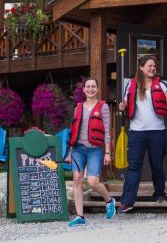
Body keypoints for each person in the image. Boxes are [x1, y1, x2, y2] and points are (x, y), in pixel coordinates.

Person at [118, 55, 167, 212]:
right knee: (134, 167)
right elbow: (124, 104)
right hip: (136, 133)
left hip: (157, 132)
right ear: (141, 67)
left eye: (154, 66)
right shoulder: (130, 85)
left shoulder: (162, 86)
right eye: (149, 65)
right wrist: (122, 107)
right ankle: (127, 201)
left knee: (157, 165)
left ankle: (159, 194)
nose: (153, 68)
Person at [66, 77, 116, 226]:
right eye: (88, 87)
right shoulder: (78, 107)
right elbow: (73, 130)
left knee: (93, 182)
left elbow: (107, 131)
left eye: (93, 87)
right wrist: (69, 152)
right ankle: (80, 216)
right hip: (78, 149)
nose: (90, 89)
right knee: (77, 179)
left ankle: (109, 200)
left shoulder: (103, 107)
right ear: (84, 90)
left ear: (97, 90)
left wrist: (107, 153)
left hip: (94, 149)